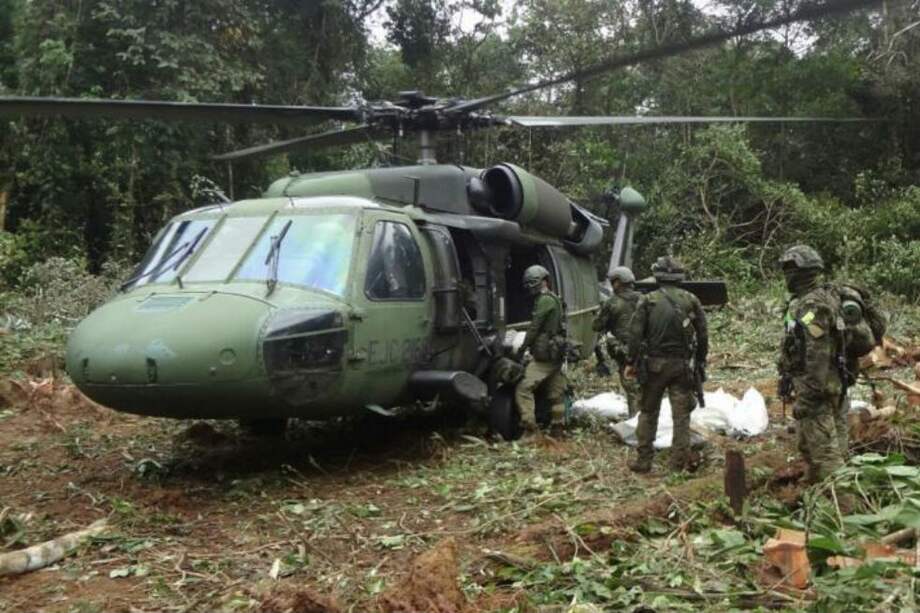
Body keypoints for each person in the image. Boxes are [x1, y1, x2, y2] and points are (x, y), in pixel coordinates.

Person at [627, 256, 708, 473]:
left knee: (648, 412)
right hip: (682, 367)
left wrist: (630, 361)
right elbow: (703, 334)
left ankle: (644, 461)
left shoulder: (647, 300)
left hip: (653, 366)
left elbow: (634, 336)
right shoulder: (691, 299)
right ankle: (677, 465)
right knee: (681, 417)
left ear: (658, 275)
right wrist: (700, 361)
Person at [777, 245, 846, 483]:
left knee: (827, 455)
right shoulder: (818, 298)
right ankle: (815, 490)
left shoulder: (811, 306)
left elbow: (817, 354)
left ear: (801, 274)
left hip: (819, 388)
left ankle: (842, 507)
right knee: (809, 445)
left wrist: (808, 396)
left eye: (789, 271)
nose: (786, 276)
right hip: (827, 382)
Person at [515, 264, 566, 432]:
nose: (530, 286)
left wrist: (522, 348)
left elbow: (534, 328)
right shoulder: (554, 298)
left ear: (543, 281)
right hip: (555, 353)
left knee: (523, 388)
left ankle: (529, 429)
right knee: (556, 393)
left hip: (545, 354)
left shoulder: (544, 300)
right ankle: (558, 428)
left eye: (532, 282)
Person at [593, 266, 642, 416]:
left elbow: (597, 326)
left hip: (626, 353)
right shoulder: (645, 299)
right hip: (647, 350)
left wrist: (599, 313)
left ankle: (636, 424)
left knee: (632, 389)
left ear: (618, 283)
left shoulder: (612, 303)